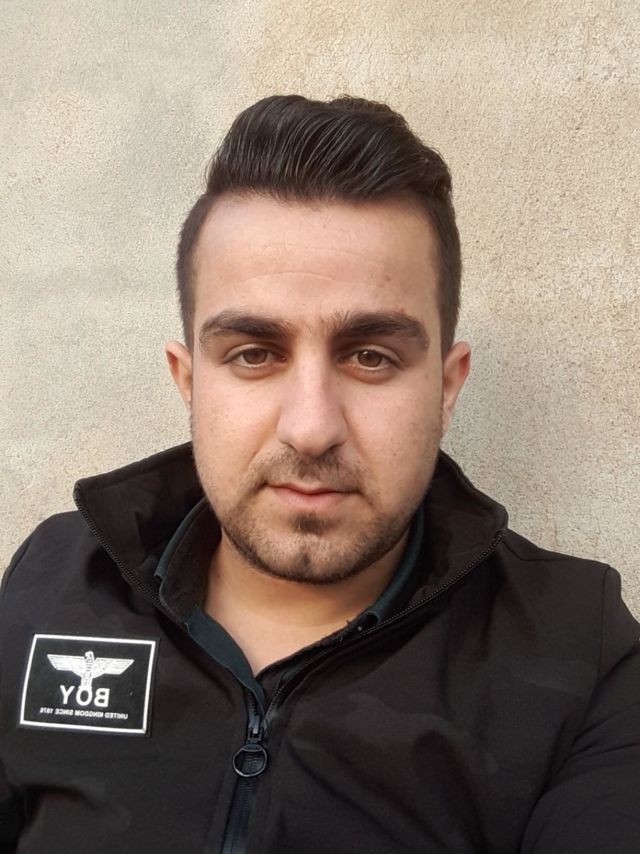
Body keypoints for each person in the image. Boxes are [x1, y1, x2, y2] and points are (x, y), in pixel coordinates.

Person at [1, 95, 638, 854]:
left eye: (371, 357)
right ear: (188, 381)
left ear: (445, 386)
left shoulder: (579, 650)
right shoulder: (56, 581)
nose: (311, 427)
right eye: (253, 354)